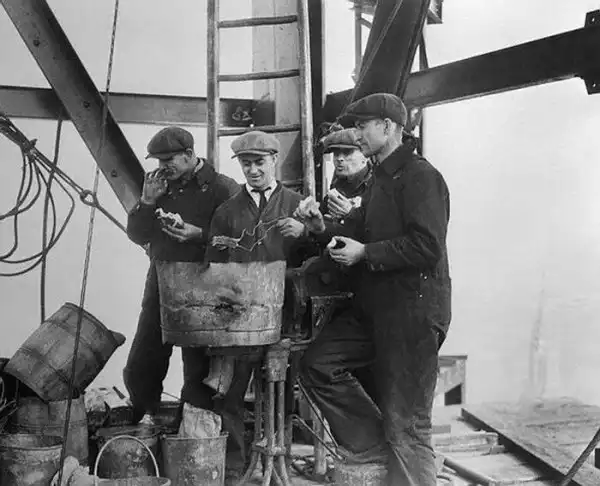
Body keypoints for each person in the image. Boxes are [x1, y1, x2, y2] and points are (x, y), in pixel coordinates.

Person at [296, 93, 451, 486]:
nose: (357, 134)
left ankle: (400, 454)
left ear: (388, 126)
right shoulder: (381, 178)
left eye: (363, 126)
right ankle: (375, 445)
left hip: (412, 317)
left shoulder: (420, 176)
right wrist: (321, 229)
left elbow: (427, 246)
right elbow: (358, 230)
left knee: (408, 426)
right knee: (318, 365)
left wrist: (366, 253)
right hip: (375, 310)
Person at [205, 130, 308, 481]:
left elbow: (315, 259)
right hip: (239, 321)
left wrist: (305, 235)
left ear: (274, 160)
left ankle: (279, 460)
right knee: (230, 394)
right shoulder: (226, 211)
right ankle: (237, 466)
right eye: (246, 164)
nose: (252, 170)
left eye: (259, 162)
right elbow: (211, 267)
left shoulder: (298, 205)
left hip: (285, 318)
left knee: (284, 394)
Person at [123, 126, 240, 423]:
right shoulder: (158, 186)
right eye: (158, 162)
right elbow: (137, 235)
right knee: (141, 363)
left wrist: (199, 235)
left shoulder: (223, 188)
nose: (162, 168)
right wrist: (147, 202)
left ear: (189, 154)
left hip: (204, 288)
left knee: (198, 369)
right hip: (161, 285)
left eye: (168, 161)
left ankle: (192, 429)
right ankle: (145, 419)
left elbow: (240, 241)